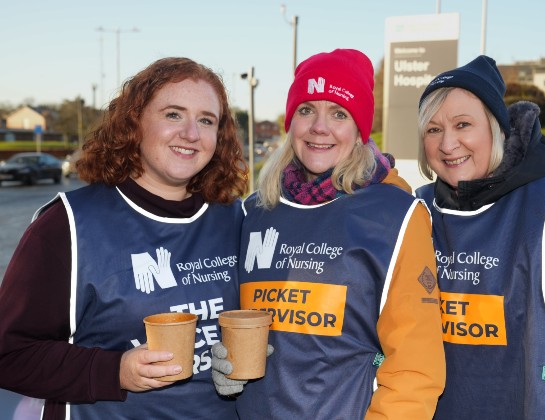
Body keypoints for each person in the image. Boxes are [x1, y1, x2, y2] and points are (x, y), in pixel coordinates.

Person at [0, 57, 248, 419]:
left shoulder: (235, 218)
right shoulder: (68, 224)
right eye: (173, 114)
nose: (191, 133)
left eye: (206, 120)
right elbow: (10, 354)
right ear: (134, 123)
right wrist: (115, 371)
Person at [212, 48, 445, 419]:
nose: (319, 127)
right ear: (291, 122)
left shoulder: (396, 214)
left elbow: (416, 369)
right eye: (307, 110)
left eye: (339, 113)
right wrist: (221, 359)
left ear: (358, 129)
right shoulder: (253, 211)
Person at [415, 55, 545, 419]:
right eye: (433, 130)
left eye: (463, 124)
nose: (448, 143)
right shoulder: (416, 209)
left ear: (496, 127)